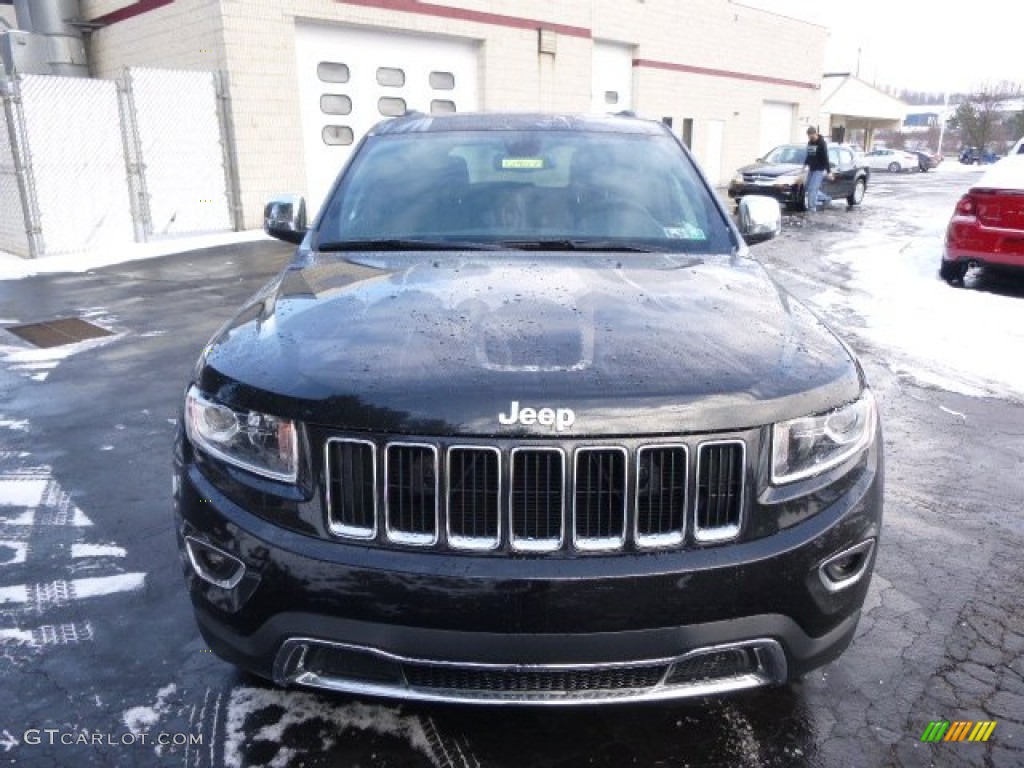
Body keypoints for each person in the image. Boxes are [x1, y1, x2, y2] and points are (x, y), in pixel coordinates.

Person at [803, 126, 832, 212]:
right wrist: (804, 166)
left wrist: (829, 171)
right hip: (811, 169)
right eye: (808, 136)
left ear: (815, 134)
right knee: (808, 188)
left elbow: (825, 158)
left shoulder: (822, 143)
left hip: (819, 169)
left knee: (813, 188)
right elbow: (809, 155)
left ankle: (811, 208)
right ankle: (826, 198)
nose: (810, 138)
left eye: (811, 136)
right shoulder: (810, 143)